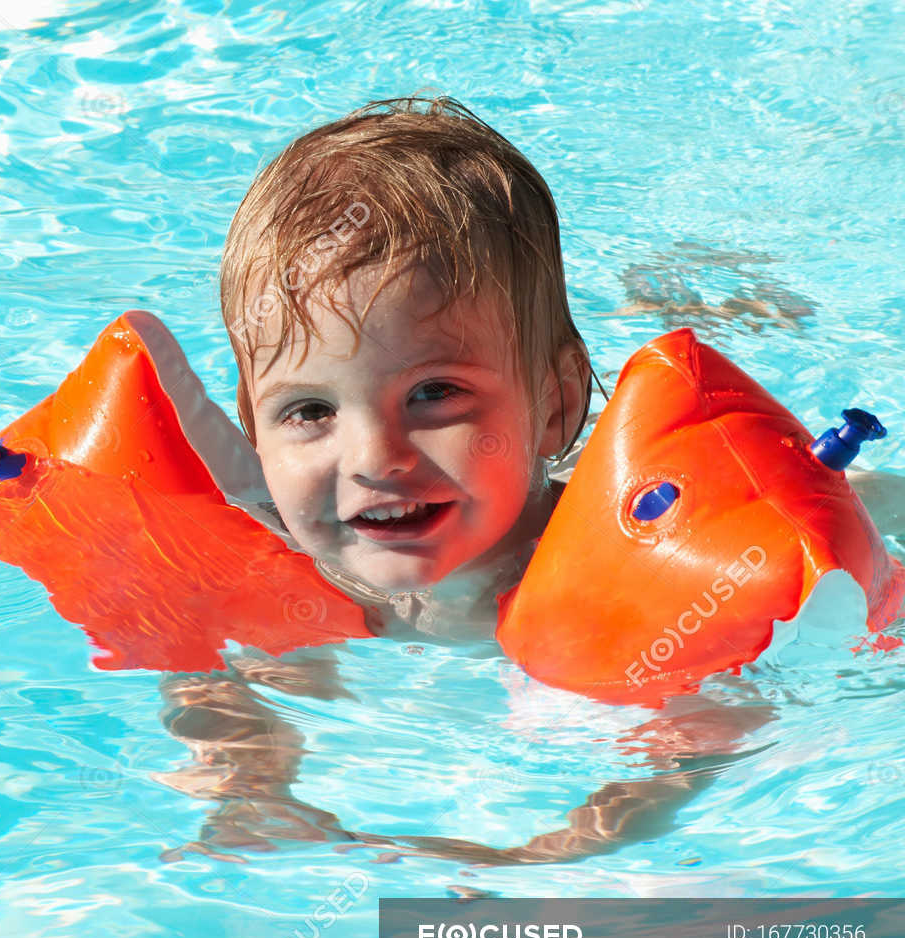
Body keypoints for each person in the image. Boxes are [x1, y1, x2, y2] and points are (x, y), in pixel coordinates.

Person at [157, 95, 900, 865]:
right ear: (254, 434)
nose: (374, 458)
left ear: (557, 406)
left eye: (434, 394)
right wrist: (249, 780)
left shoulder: (627, 571)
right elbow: (205, 671)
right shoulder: (279, 569)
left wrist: (551, 852)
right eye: (309, 411)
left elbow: (707, 737)